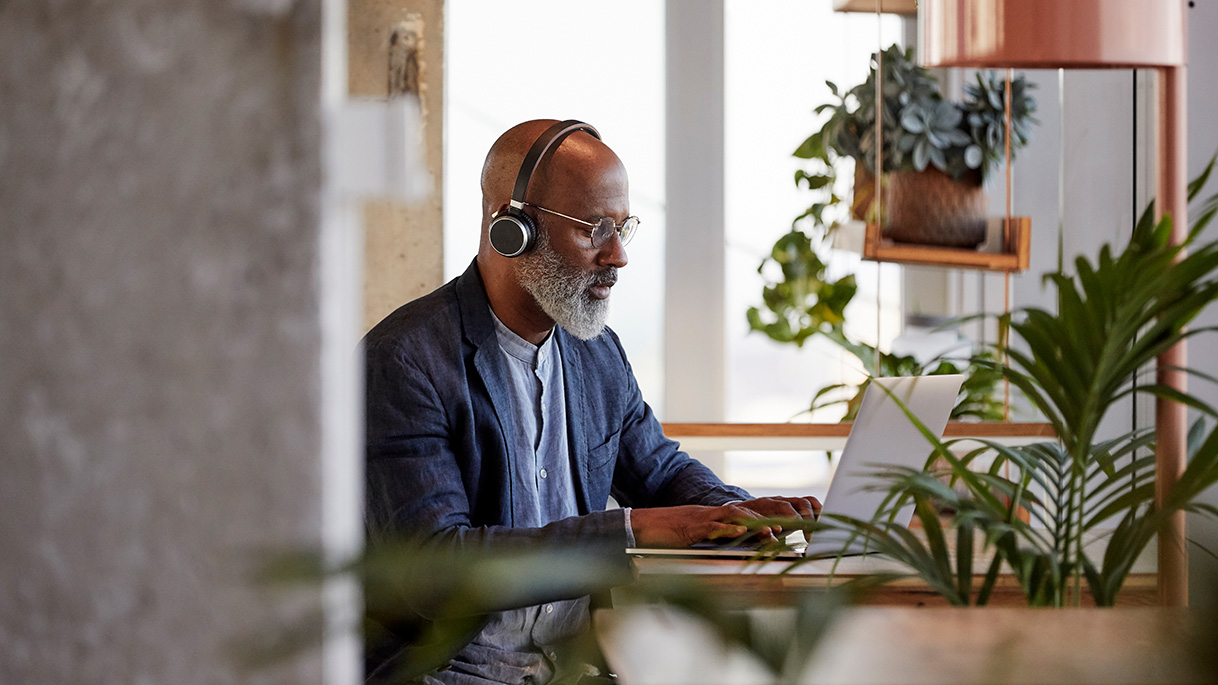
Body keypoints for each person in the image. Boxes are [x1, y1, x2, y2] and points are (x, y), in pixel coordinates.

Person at [363, 119, 821, 684]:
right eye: (594, 229)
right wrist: (629, 531)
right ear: (512, 228)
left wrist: (737, 513)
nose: (618, 255)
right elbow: (435, 571)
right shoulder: (404, 361)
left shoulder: (595, 353)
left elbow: (660, 470)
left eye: (622, 227)